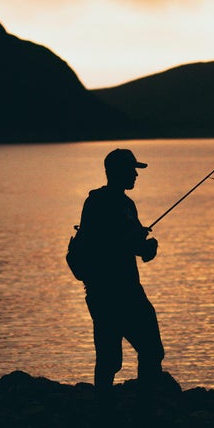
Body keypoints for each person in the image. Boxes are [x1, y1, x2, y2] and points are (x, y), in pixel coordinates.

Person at [78, 148, 164, 399]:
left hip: (128, 289)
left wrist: (148, 248)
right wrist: (134, 242)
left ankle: (143, 405)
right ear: (115, 172)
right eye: (131, 170)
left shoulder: (128, 205)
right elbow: (102, 244)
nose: (136, 175)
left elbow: (137, 247)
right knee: (110, 358)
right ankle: (108, 408)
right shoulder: (96, 202)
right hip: (106, 291)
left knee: (150, 350)